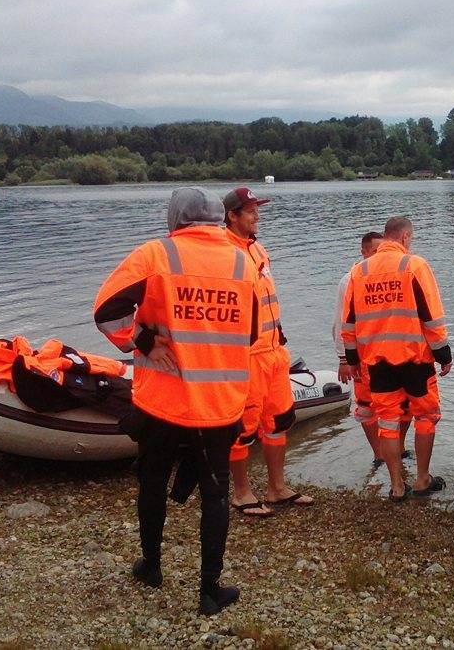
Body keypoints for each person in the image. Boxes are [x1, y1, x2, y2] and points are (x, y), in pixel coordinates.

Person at [94, 187, 257, 616]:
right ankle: (209, 591)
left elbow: (105, 311)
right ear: (216, 219)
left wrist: (144, 340)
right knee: (216, 496)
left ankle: (151, 567)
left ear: (176, 219)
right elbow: (253, 333)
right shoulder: (244, 260)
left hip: (163, 401)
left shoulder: (154, 255)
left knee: (152, 482)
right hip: (219, 403)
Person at [340, 216, 451, 501]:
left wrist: (351, 357)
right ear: (404, 238)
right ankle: (422, 479)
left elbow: (348, 322)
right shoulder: (414, 265)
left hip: (377, 363)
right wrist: (443, 354)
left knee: (387, 422)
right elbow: (432, 315)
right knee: (426, 416)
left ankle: (397, 486)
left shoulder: (359, 271)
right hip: (414, 360)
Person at [223, 187, 313, 517]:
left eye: (257, 209)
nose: (257, 215)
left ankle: (277, 488)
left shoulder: (258, 249)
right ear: (232, 216)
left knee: (278, 421)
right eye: (250, 211)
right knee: (243, 427)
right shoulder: (223, 253)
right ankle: (242, 493)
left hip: (274, 351)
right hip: (245, 358)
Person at [332, 231, 411, 467]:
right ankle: (379, 455)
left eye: (382, 250)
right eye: (375, 251)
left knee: (403, 406)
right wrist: (344, 359)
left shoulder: (393, 274)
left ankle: (399, 448)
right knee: (367, 408)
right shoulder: (350, 280)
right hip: (363, 357)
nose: (379, 256)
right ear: (364, 252)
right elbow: (340, 321)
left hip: (393, 354)